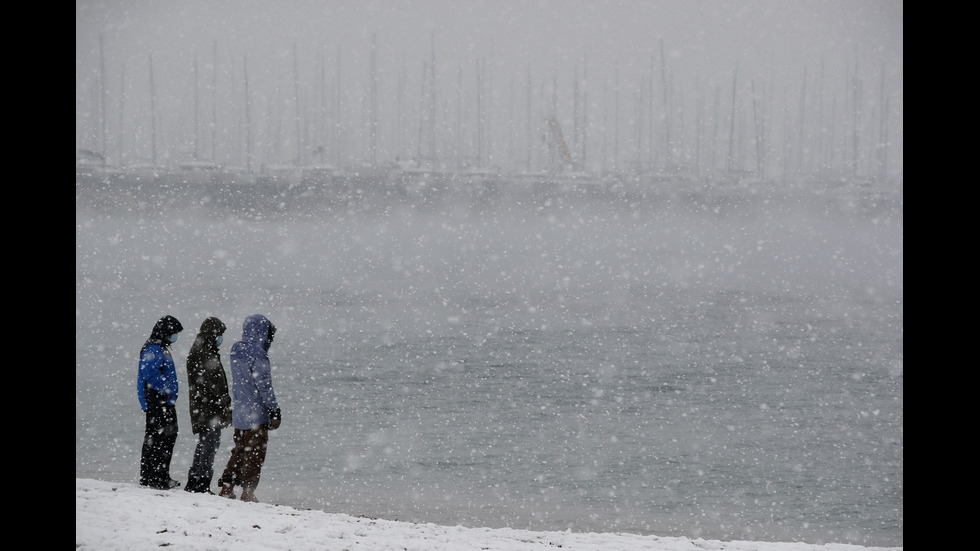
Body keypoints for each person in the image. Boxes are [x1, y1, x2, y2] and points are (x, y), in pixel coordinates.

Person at [218, 314, 282, 503]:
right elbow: (264, 386)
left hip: (240, 412)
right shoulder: (259, 354)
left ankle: (227, 486)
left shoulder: (236, 349)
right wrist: (274, 410)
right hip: (256, 414)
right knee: (255, 454)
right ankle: (248, 491)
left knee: (238, 450)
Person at [184, 317, 233, 494]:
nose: (221, 337)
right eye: (219, 334)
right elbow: (208, 384)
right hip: (208, 409)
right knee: (208, 446)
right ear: (212, 334)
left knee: (206, 445)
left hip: (207, 408)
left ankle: (196, 482)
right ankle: (200, 483)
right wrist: (221, 401)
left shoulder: (205, 349)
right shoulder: (203, 352)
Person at [137, 315, 184, 490]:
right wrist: (168, 389)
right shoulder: (154, 348)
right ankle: (155, 477)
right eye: (175, 332)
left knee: (160, 438)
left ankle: (156, 475)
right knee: (161, 438)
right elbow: (149, 373)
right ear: (166, 332)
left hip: (162, 401)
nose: (176, 336)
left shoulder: (160, 347)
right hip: (158, 400)